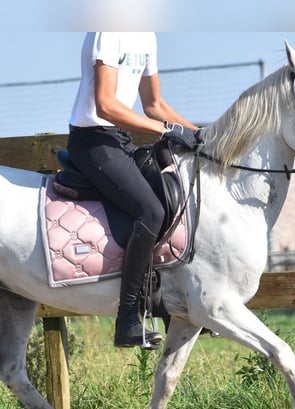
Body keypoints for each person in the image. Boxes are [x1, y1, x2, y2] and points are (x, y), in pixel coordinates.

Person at [66, 32, 201, 348]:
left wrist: (199, 134)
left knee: (172, 200)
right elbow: (106, 105)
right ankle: (128, 318)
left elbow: (154, 104)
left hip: (123, 141)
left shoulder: (146, 37)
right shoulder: (107, 30)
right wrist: (168, 131)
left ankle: (170, 305)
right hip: (93, 142)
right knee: (150, 211)